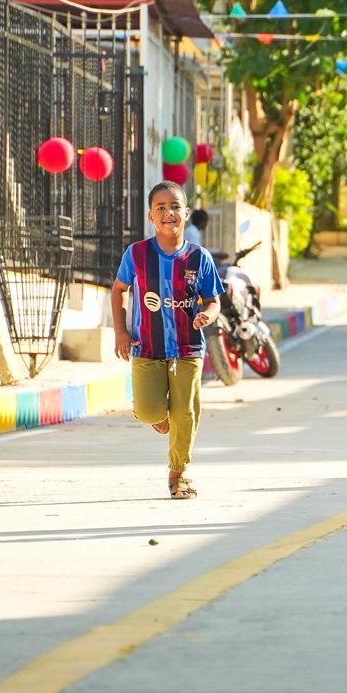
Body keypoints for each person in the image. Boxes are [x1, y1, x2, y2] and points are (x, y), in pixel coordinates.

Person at [112, 181, 225, 499]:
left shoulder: (199, 258)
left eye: (175, 206)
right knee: (148, 411)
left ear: (186, 213)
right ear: (151, 215)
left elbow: (213, 301)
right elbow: (119, 289)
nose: (168, 213)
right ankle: (159, 417)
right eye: (160, 207)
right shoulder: (136, 254)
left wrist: (208, 315)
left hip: (188, 347)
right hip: (146, 346)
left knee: (185, 412)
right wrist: (121, 331)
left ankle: (179, 475)